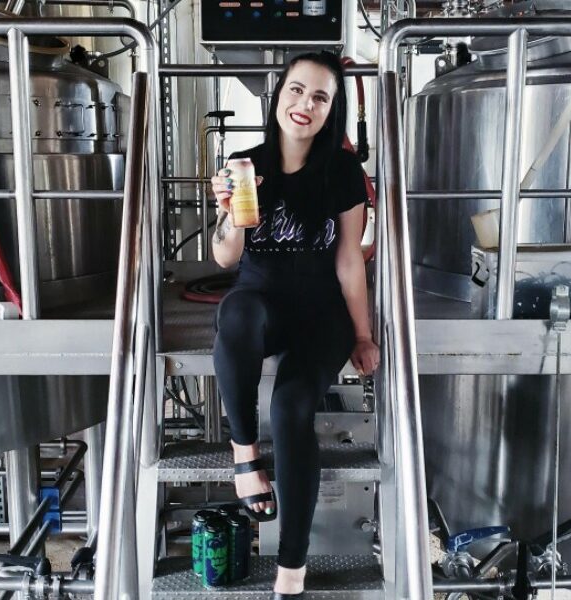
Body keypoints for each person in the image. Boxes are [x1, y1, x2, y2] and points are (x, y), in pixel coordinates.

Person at [210, 50, 380, 599]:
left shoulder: (343, 173)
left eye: (320, 97)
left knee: (289, 405)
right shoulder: (246, 163)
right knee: (236, 311)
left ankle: (291, 568)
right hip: (263, 301)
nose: (305, 104)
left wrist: (362, 334)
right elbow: (224, 258)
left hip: (321, 313)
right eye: (297, 90)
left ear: (332, 111)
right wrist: (228, 213)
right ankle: (244, 456)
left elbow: (349, 259)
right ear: (278, 95)